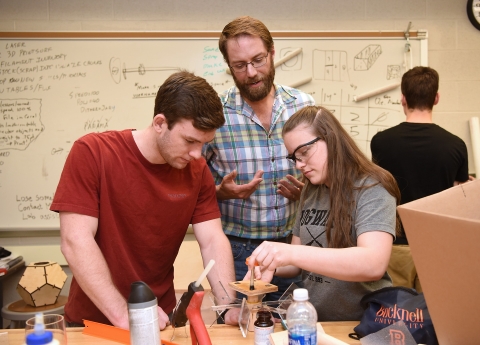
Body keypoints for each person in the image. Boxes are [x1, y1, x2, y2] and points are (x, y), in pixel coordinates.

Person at [50, 71, 238, 329]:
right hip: (92, 323)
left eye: (204, 144)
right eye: (190, 141)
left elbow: (212, 241)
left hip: (160, 321)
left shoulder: (197, 171)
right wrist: (121, 314)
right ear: (160, 123)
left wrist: (227, 306)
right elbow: (74, 241)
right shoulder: (93, 153)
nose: (197, 154)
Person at [247, 105, 401, 321]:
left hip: (363, 323)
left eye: (304, 152)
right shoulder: (311, 189)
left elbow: (373, 263)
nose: (299, 164)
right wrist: (270, 262)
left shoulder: (372, 187)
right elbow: (296, 261)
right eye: (294, 157)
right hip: (316, 320)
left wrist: (290, 253)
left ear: (330, 139)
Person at [202, 16, 315, 302]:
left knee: (297, 328)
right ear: (229, 66)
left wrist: (310, 193)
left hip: (297, 246)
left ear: (272, 53)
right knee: (242, 331)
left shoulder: (304, 106)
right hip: (240, 253)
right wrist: (219, 193)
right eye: (240, 65)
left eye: (258, 60)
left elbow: (330, 174)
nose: (251, 72)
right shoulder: (215, 115)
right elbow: (190, 189)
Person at [370, 66, 470, 292]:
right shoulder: (456, 145)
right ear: (436, 98)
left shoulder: (381, 142)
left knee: (394, 314)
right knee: (434, 317)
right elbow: (460, 196)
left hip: (394, 247)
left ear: (402, 99)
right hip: (437, 247)